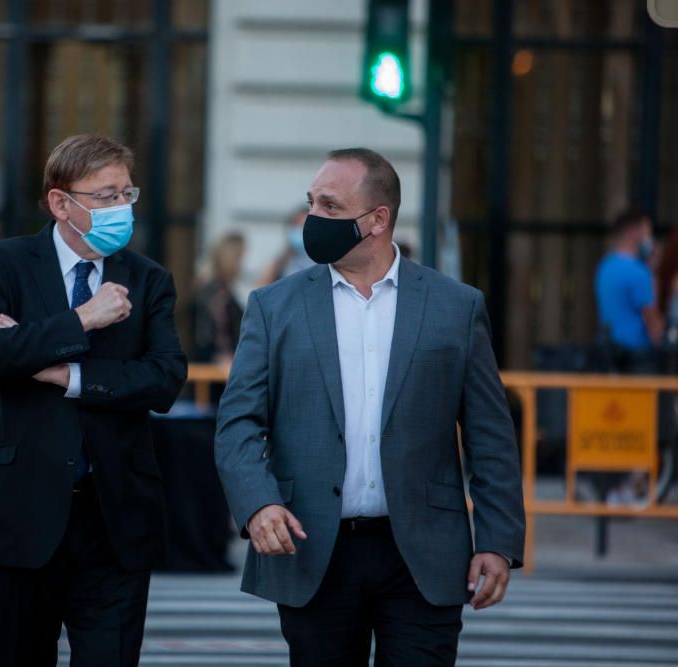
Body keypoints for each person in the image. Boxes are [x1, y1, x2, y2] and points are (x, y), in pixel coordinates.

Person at [214, 148, 525, 666]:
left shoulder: (456, 306)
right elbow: (238, 423)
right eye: (311, 203)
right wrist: (258, 502)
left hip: (423, 553)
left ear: (378, 220)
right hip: (312, 547)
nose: (314, 219)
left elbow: (490, 435)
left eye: (330, 207)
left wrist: (497, 540)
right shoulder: (273, 307)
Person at [0, 134, 188, 666]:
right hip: (16, 513)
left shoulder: (148, 281)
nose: (121, 207)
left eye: (127, 193)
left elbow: (164, 379)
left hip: (112, 516)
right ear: (61, 203)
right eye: (105, 195)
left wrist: (62, 371)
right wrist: (81, 320)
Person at [594, 208, 663, 374]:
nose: (649, 238)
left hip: (608, 353)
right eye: (646, 232)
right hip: (637, 359)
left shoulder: (604, 266)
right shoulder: (638, 272)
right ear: (634, 232)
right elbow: (652, 320)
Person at [192, 232, 246, 365]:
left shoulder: (222, 286)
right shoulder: (216, 290)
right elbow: (214, 330)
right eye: (242, 256)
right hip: (214, 367)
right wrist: (226, 355)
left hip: (214, 362)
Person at [258, 206, 314, 286]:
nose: (299, 230)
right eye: (296, 225)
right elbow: (262, 290)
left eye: (303, 226)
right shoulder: (278, 264)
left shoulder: (325, 265)